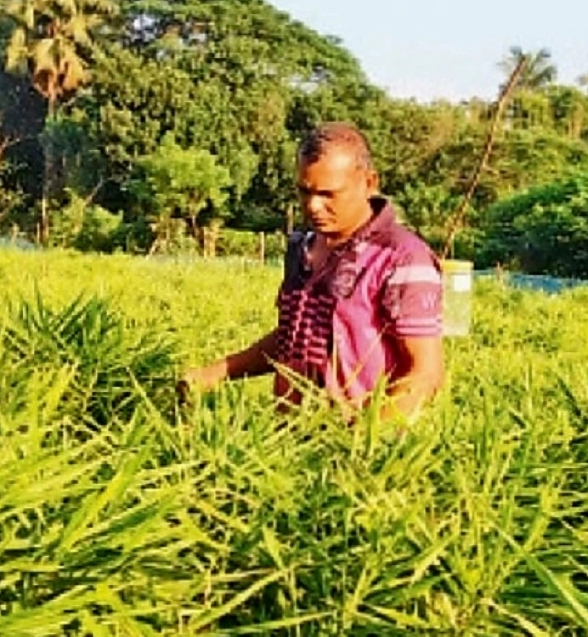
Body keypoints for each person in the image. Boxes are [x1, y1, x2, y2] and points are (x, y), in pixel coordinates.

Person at [178, 122, 446, 426]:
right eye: (304, 191)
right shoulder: (301, 248)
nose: (313, 206)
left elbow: (426, 375)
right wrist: (216, 373)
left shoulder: (402, 258)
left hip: (360, 449)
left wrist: (362, 435)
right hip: (287, 440)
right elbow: (295, 338)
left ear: (369, 183)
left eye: (328, 194)